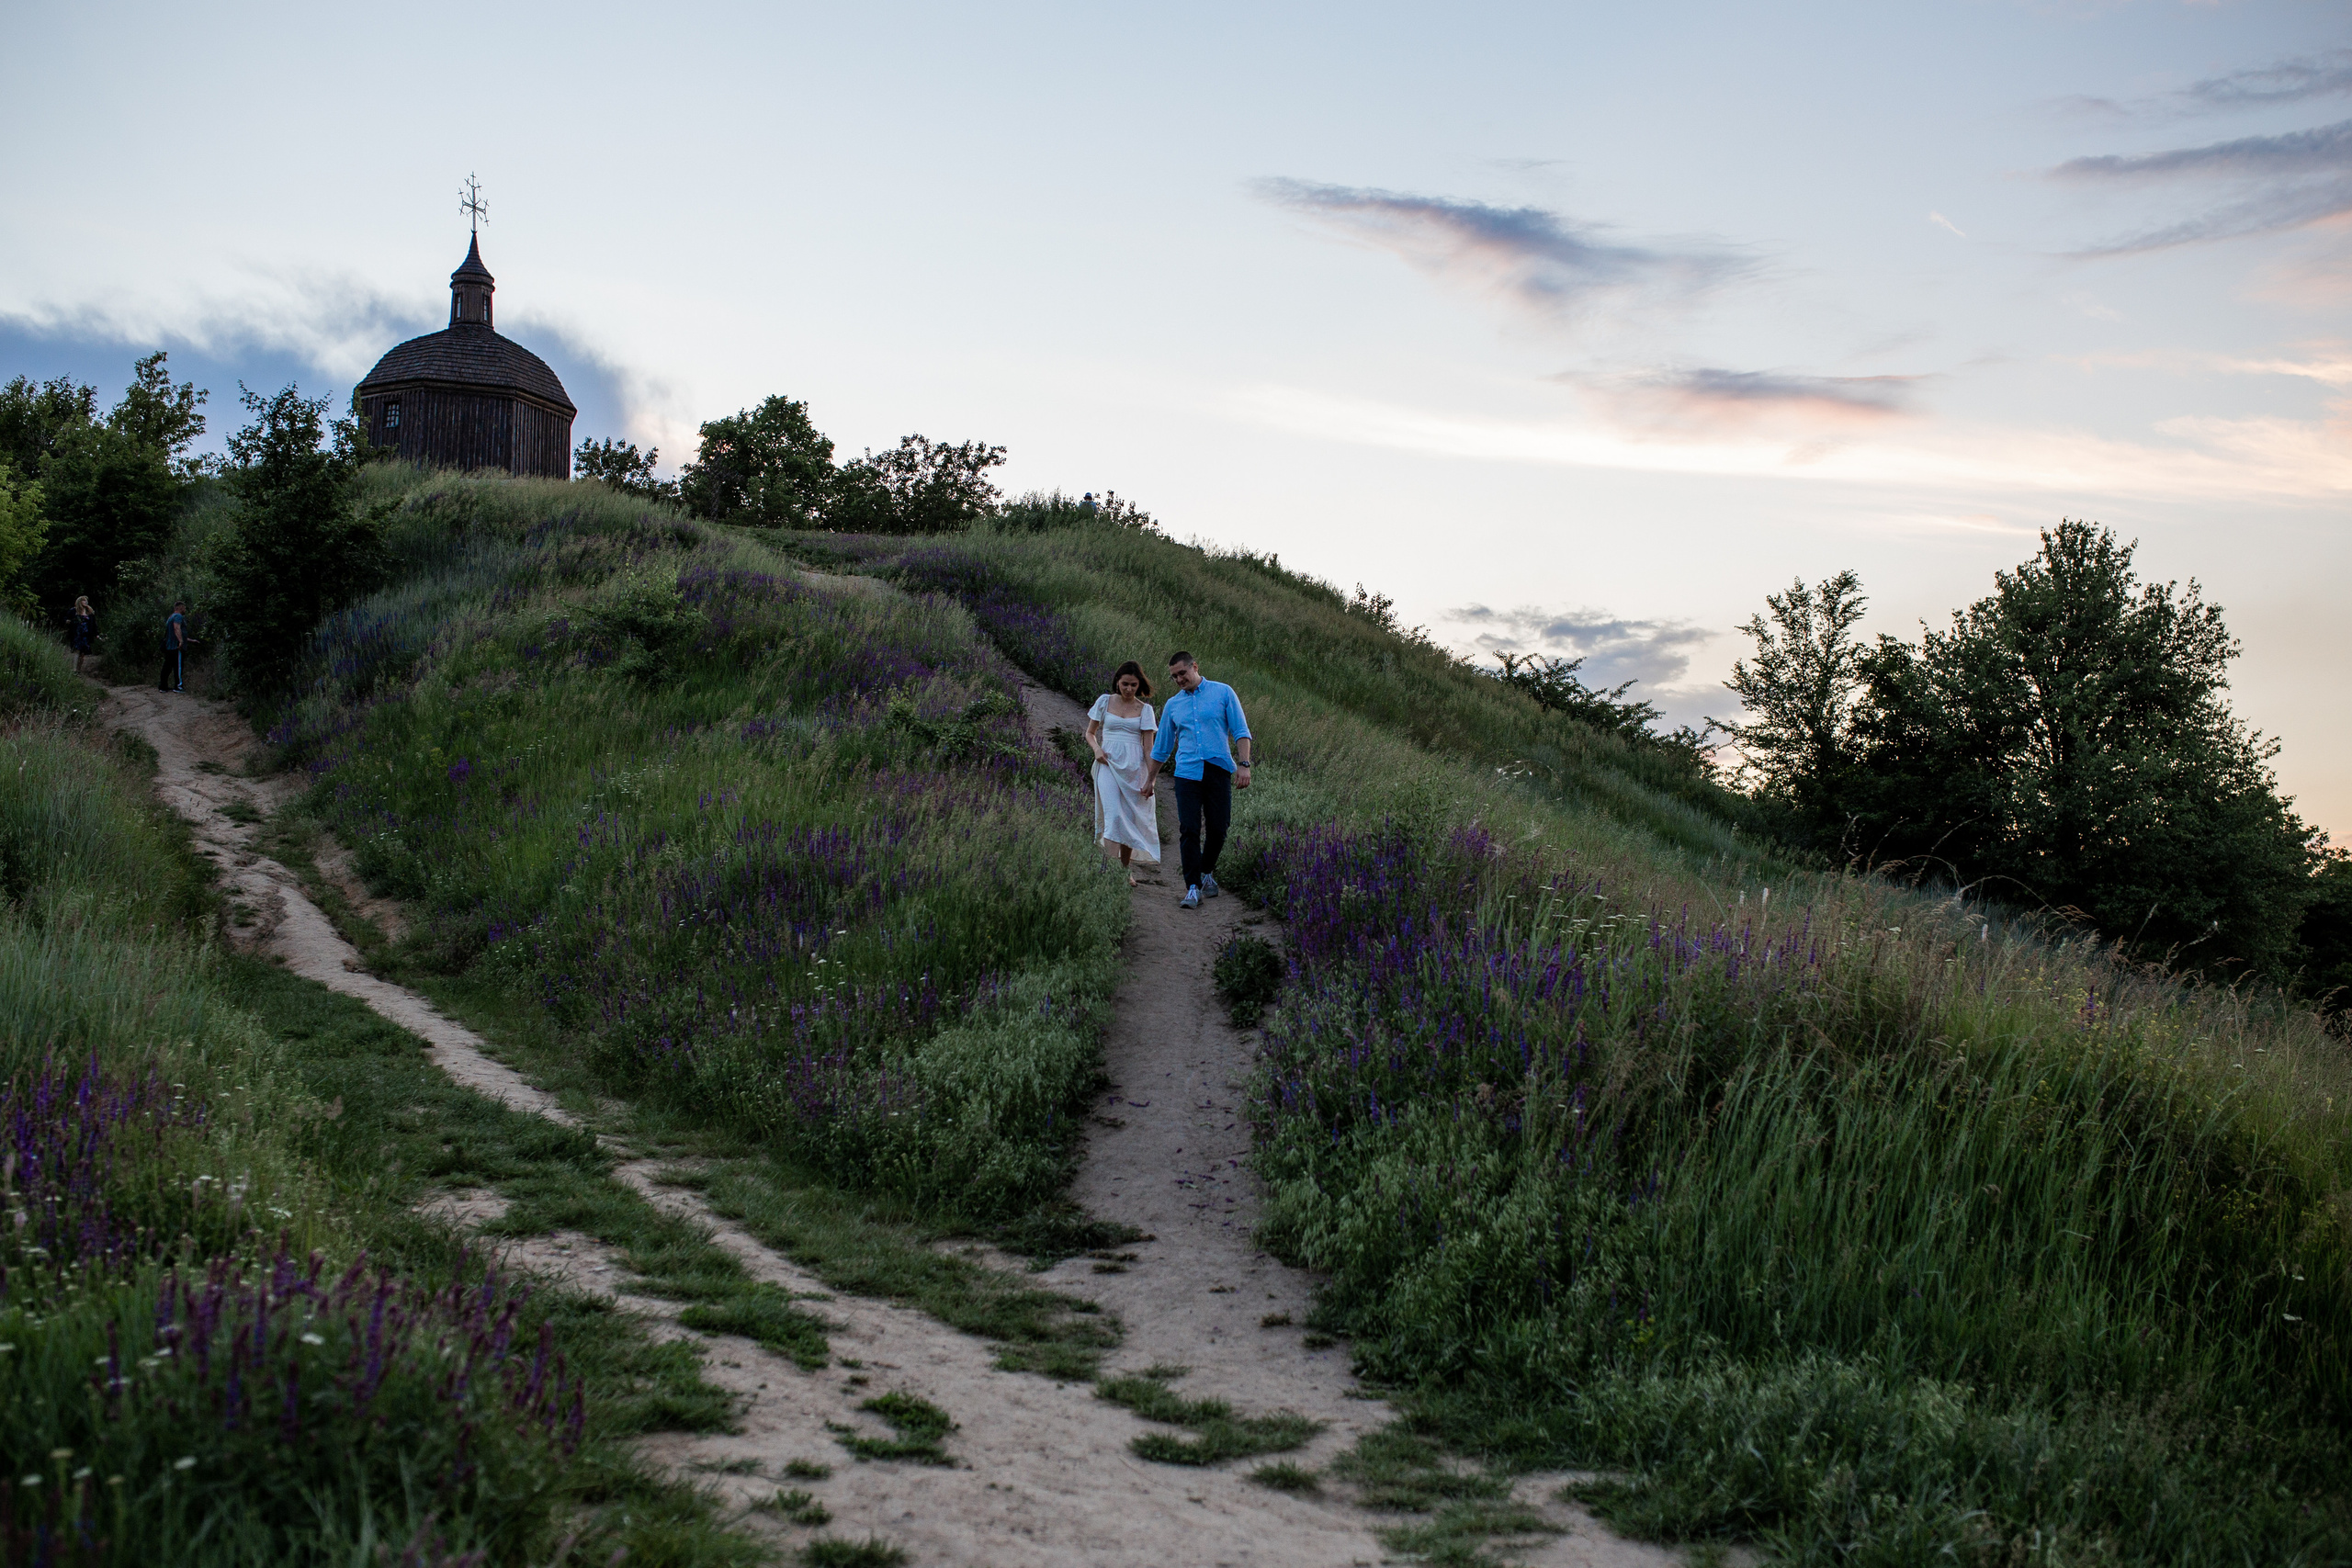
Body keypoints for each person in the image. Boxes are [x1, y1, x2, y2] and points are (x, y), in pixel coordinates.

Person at [1143, 650, 1252, 910]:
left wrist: (1244, 765)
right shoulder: (1172, 705)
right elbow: (1162, 747)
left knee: (1219, 827)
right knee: (1189, 829)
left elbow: (1240, 730)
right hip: (1187, 774)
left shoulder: (1223, 692)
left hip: (1217, 769)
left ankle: (1206, 872)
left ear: (1195, 667)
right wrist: (1151, 780)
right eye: (1174, 677)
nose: (1179, 679)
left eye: (1182, 673)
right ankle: (1192, 887)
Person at [1085, 660, 1159, 886]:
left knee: (1129, 817)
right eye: (1125, 684)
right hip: (1107, 764)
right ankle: (1108, 870)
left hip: (1135, 768)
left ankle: (1124, 870)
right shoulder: (1104, 701)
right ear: (1117, 682)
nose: (1129, 689)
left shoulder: (1145, 710)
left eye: (1133, 685)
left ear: (1139, 685)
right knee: (1114, 815)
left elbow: (1148, 748)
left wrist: (1151, 778)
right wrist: (1097, 749)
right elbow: (1090, 733)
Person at [157, 600, 188, 693]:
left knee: (167, 666)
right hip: (176, 647)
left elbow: (172, 632)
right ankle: (178, 686)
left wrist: (188, 639)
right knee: (178, 667)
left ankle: (163, 686)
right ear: (179, 608)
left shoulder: (170, 617)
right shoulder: (178, 616)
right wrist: (181, 641)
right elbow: (176, 628)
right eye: (184, 607)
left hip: (169, 646)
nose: (185, 609)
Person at [67, 596, 96, 673]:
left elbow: (93, 624)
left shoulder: (89, 611)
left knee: (83, 654)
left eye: (86, 601)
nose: (86, 602)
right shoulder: (74, 611)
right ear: (79, 602)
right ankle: (74, 669)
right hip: (77, 634)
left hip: (86, 635)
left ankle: (78, 669)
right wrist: (68, 621)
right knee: (77, 651)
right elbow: (67, 619)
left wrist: (96, 634)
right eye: (84, 601)